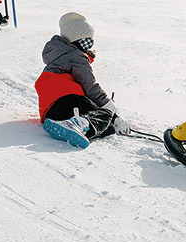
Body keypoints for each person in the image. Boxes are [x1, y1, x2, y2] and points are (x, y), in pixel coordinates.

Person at [35, 12, 130, 148]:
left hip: (50, 112)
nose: (90, 43)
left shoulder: (59, 55)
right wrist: (111, 111)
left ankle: (67, 125)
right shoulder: (76, 56)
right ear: (78, 39)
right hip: (68, 99)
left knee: (106, 128)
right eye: (87, 38)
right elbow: (90, 86)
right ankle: (75, 124)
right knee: (104, 116)